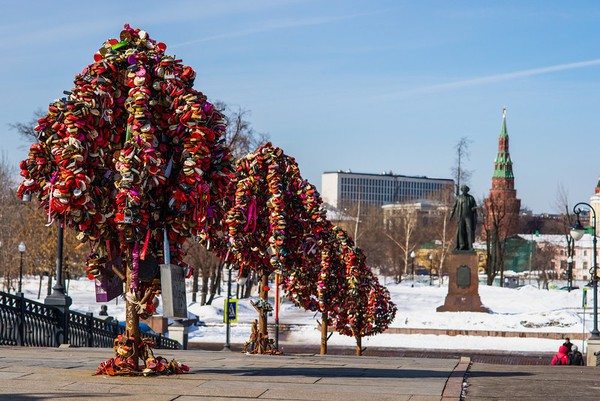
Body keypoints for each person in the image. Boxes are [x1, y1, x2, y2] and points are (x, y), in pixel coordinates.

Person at [450, 185, 477, 251]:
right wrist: (451, 215)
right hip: (461, 216)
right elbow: (453, 207)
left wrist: (474, 209)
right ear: (462, 190)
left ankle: (470, 246)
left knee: (470, 230)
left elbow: (475, 206)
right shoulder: (458, 198)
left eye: (466, 189)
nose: (464, 190)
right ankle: (462, 245)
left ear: (467, 190)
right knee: (461, 231)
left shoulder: (471, 198)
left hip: (468, 217)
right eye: (463, 189)